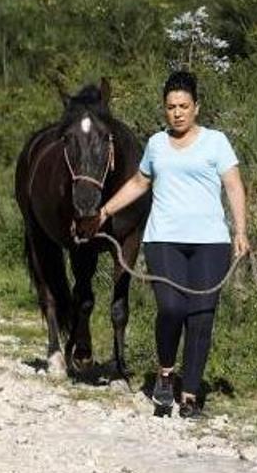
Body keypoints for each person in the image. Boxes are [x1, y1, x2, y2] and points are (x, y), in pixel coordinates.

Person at [96, 70, 249, 418]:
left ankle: (190, 394)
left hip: (210, 242)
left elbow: (234, 186)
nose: (177, 112)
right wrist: (105, 210)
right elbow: (139, 182)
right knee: (172, 308)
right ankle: (166, 374)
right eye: (170, 107)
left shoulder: (216, 142)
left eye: (183, 105)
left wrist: (240, 231)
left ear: (196, 107)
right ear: (164, 109)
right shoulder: (156, 144)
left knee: (201, 317)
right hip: (163, 239)